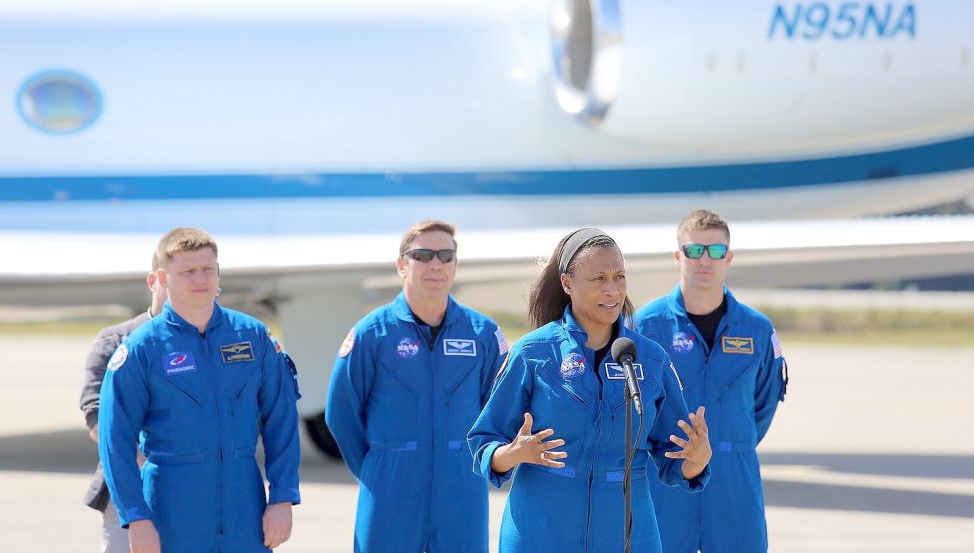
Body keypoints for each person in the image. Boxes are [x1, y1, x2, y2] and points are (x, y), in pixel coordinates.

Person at [468, 227, 711, 553]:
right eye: (599, 279)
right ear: (568, 283)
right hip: (540, 531)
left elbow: (675, 458)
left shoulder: (650, 359)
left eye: (619, 277)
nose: (613, 290)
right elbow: (485, 442)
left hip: (627, 534)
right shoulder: (533, 353)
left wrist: (697, 460)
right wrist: (512, 454)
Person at [98, 227, 301, 553]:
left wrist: (283, 497)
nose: (200, 279)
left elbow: (282, 420)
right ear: (163, 279)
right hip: (172, 509)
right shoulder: (141, 349)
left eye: (208, 269)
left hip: (245, 507)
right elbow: (115, 440)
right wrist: (136, 518)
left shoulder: (252, 337)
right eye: (188, 271)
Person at [325, 220, 509, 553]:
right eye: (423, 255)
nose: (435, 264)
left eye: (445, 255)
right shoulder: (372, 334)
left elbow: (498, 411)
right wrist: (377, 466)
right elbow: (341, 414)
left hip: (462, 489)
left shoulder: (483, 333)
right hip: (390, 487)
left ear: (455, 265)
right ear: (401, 265)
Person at [635, 209, 788, 553]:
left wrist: (730, 440)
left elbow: (763, 405)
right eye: (693, 250)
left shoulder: (757, 330)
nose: (705, 259)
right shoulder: (645, 327)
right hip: (664, 479)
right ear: (678, 256)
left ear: (728, 258)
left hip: (733, 479)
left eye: (715, 251)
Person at [80, 254, 167, 553]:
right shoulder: (115, 340)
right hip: (127, 488)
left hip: (195, 488)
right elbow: (97, 421)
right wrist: (150, 467)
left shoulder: (215, 338)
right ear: (153, 281)